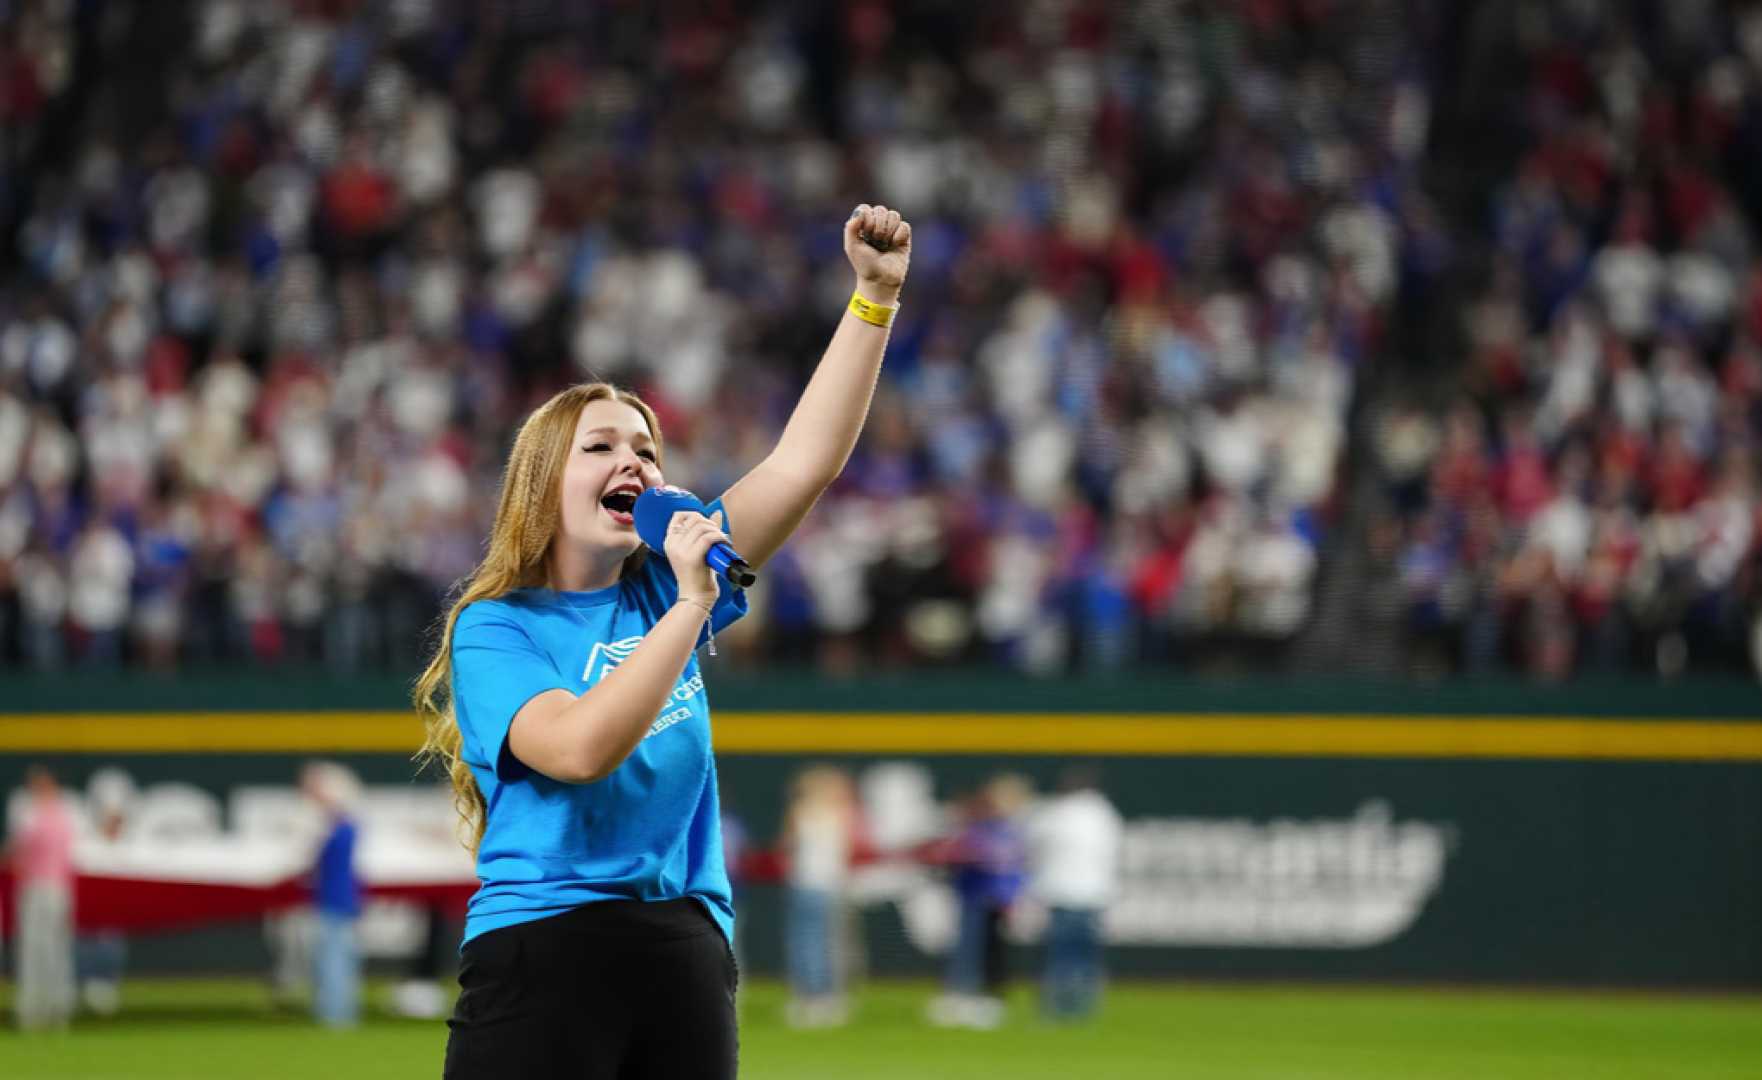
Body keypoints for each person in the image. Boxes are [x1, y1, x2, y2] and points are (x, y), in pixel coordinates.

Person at [417, 203, 913, 1078]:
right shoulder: (496, 628)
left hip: (682, 950)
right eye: (600, 445)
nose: (636, 463)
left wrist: (874, 297)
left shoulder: (662, 582)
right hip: (542, 952)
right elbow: (576, 749)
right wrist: (691, 606)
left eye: (646, 448)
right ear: (542, 485)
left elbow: (804, 463)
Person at [928, 774, 1031, 1031]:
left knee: (989, 953)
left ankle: (984, 1000)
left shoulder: (1005, 831)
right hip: (974, 897)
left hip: (992, 900)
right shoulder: (978, 828)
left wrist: (1009, 896)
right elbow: (951, 854)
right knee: (969, 950)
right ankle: (964, 996)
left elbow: (1006, 866)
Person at [1027, 765, 1122, 1020]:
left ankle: (1058, 1008)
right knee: (1086, 955)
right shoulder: (1105, 813)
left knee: (1061, 955)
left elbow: (1032, 836)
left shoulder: (1059, 811)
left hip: (1063, 894)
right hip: (1094, 895)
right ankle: (1085, 1008)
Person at [781, 765, 856, 1028]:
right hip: (818, 885)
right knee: (817, 943)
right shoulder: (835, 813)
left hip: (814, 884)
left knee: (813, 942)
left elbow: (787, 845)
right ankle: (819, 997)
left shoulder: (808, 812)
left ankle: (816, 997)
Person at [7, 766, 78, 1031]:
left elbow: (18, 849)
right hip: (48, 889)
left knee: (45, 952)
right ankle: (44, 1011)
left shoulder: (35, 815)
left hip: (46, 889)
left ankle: (46, 1010)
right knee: (45, 951)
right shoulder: (55, 814)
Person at [303, 761, 364, 1028]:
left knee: (336, 959)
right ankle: (335, 1011)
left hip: (337, 901)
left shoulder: (341, 827)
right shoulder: (337, 826)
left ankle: (337, 1014)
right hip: (336, 899)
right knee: (334, 958)